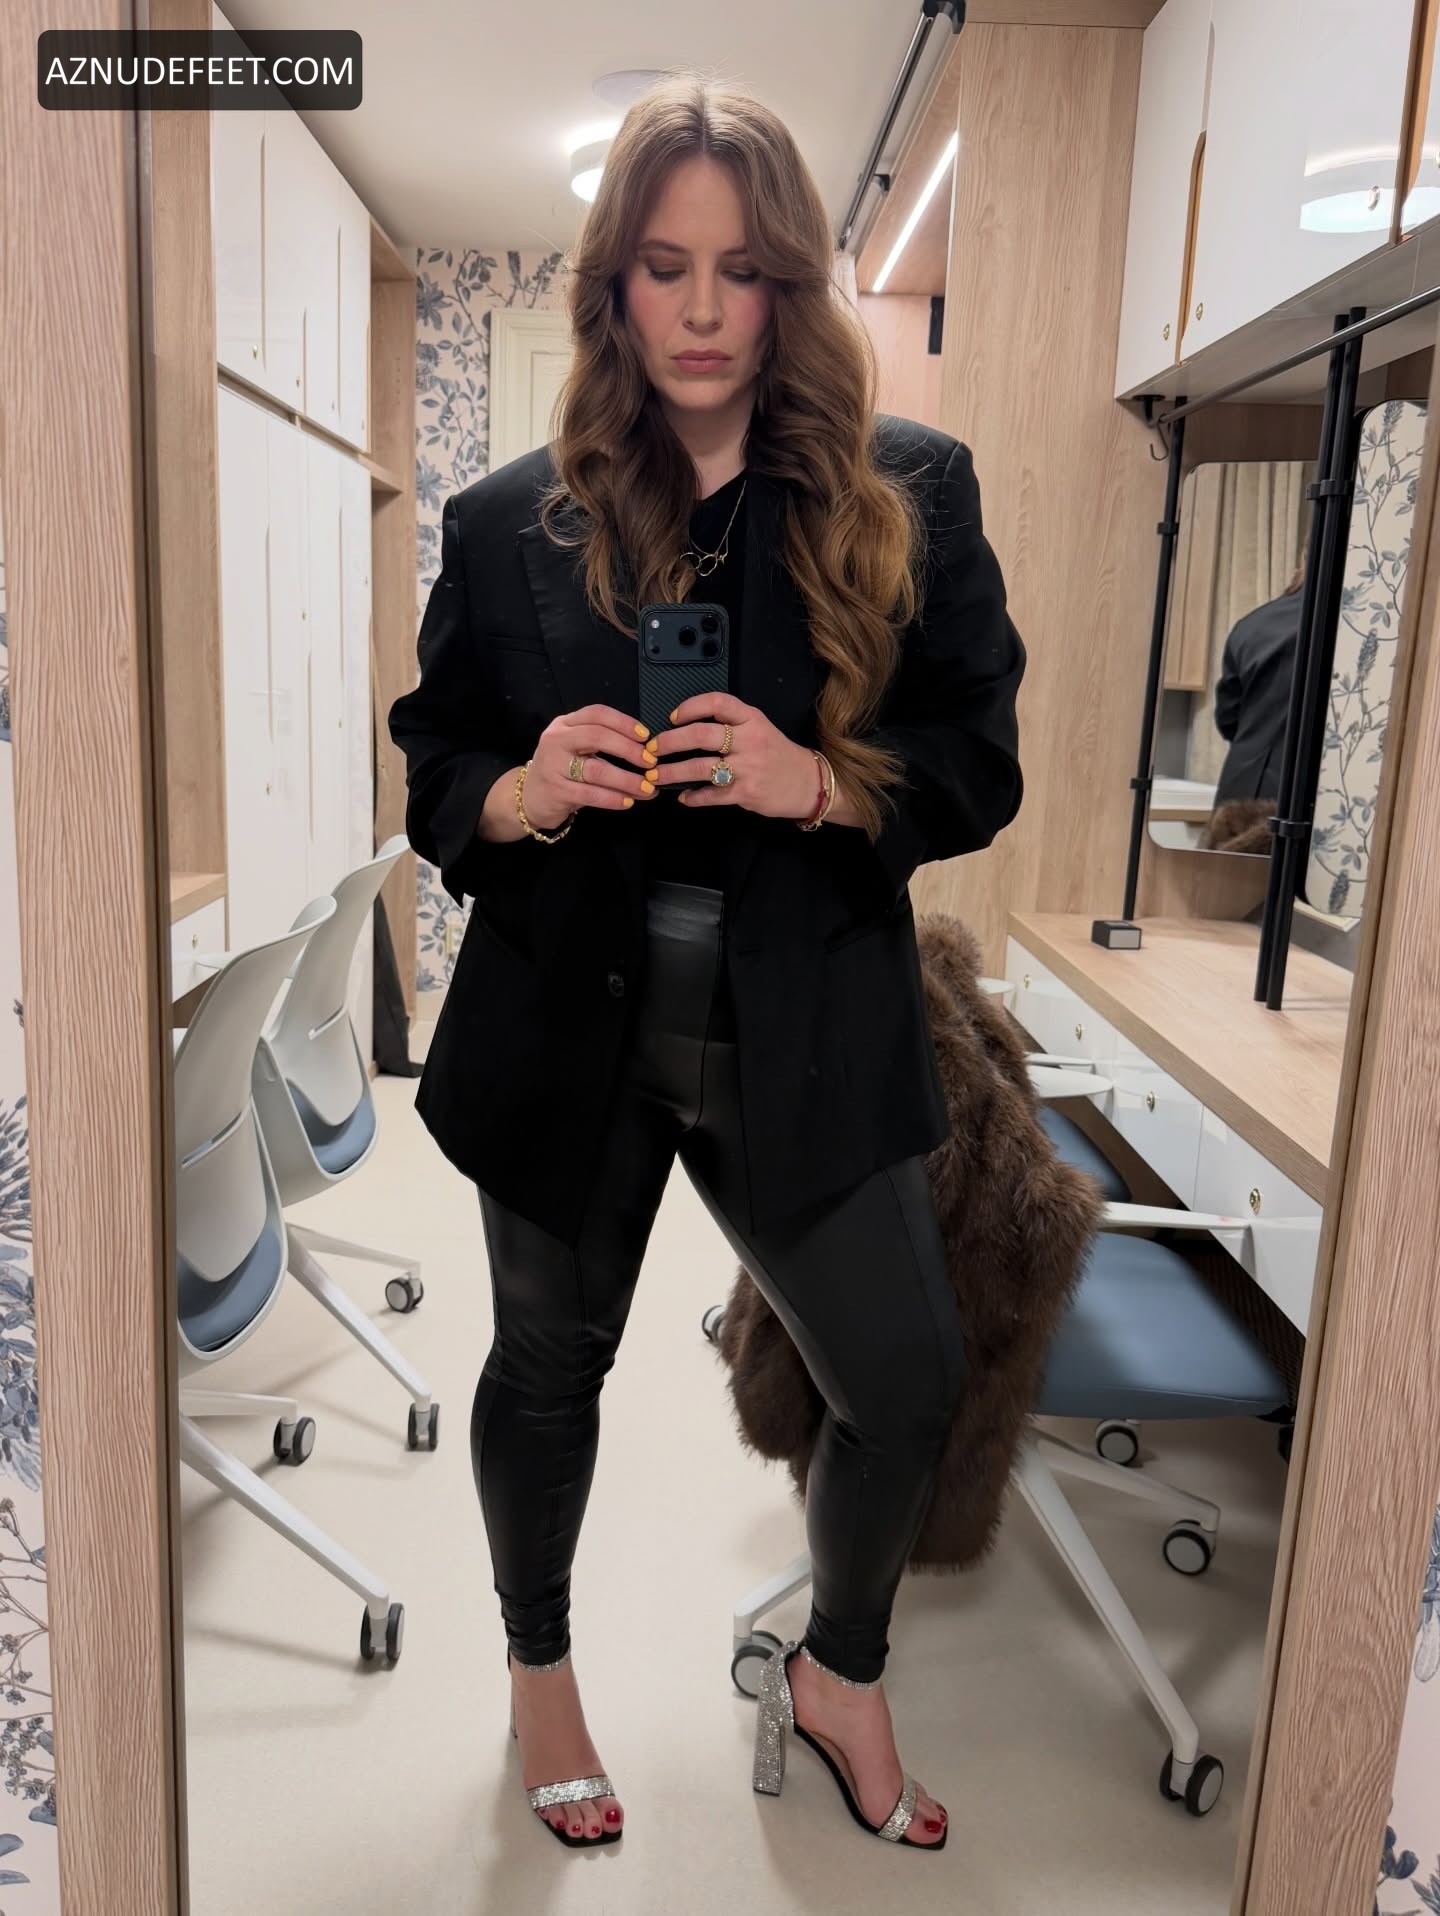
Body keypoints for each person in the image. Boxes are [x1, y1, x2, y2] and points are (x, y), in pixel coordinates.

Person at [389, 77, 1024, 1854]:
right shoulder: (507, 518)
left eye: (740, 272)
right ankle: (539, 1675)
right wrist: (520, 788)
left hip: (804, 1010)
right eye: (663, 267)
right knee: (545, 1371)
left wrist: (824, 782)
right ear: (614, 280)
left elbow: (980, 758)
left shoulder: (910, 492)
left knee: (905, 1378)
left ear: (788, 286)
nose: (698, 310)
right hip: (561, 1017)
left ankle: (842, 1670)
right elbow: (432, 759)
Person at [1210, 559, 1305, 811]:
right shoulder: (1351, 628)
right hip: (1302, 795)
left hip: (1239, 790)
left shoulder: (1252, 624)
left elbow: (1228, 717)